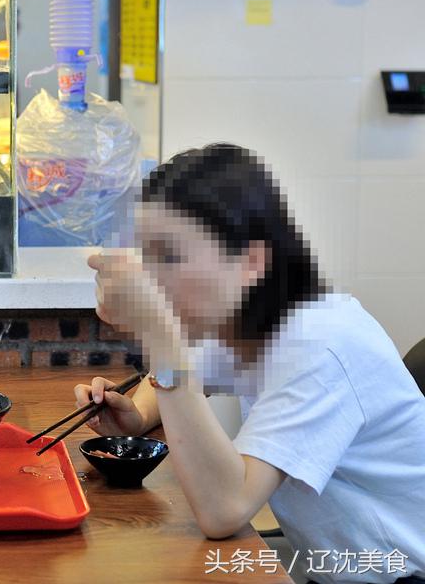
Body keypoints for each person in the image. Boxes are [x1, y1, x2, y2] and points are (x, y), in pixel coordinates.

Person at [80, 144, 425, 584]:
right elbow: (186, 373)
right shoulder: (251, 318)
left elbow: (223, 511)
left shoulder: (319, 345)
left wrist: (161, 339)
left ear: (251, 261)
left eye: (169, 256)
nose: (152, 279)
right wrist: (139, 414)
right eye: (146, 256)